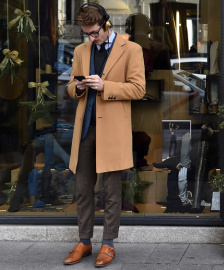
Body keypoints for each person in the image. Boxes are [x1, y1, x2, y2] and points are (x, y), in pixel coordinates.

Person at [63, 3, 145, 267]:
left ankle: (108, 244)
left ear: (106, 25)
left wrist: (104, 86)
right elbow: (70, 87)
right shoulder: (80, 50)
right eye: (87, 33)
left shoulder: (131, 49)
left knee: (111, 191)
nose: (91, 37)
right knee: (83, 190)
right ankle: (84, 241)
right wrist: (78, 86)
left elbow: (138, 89)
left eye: (94, 32)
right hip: (85, 129)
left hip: (113, 130)